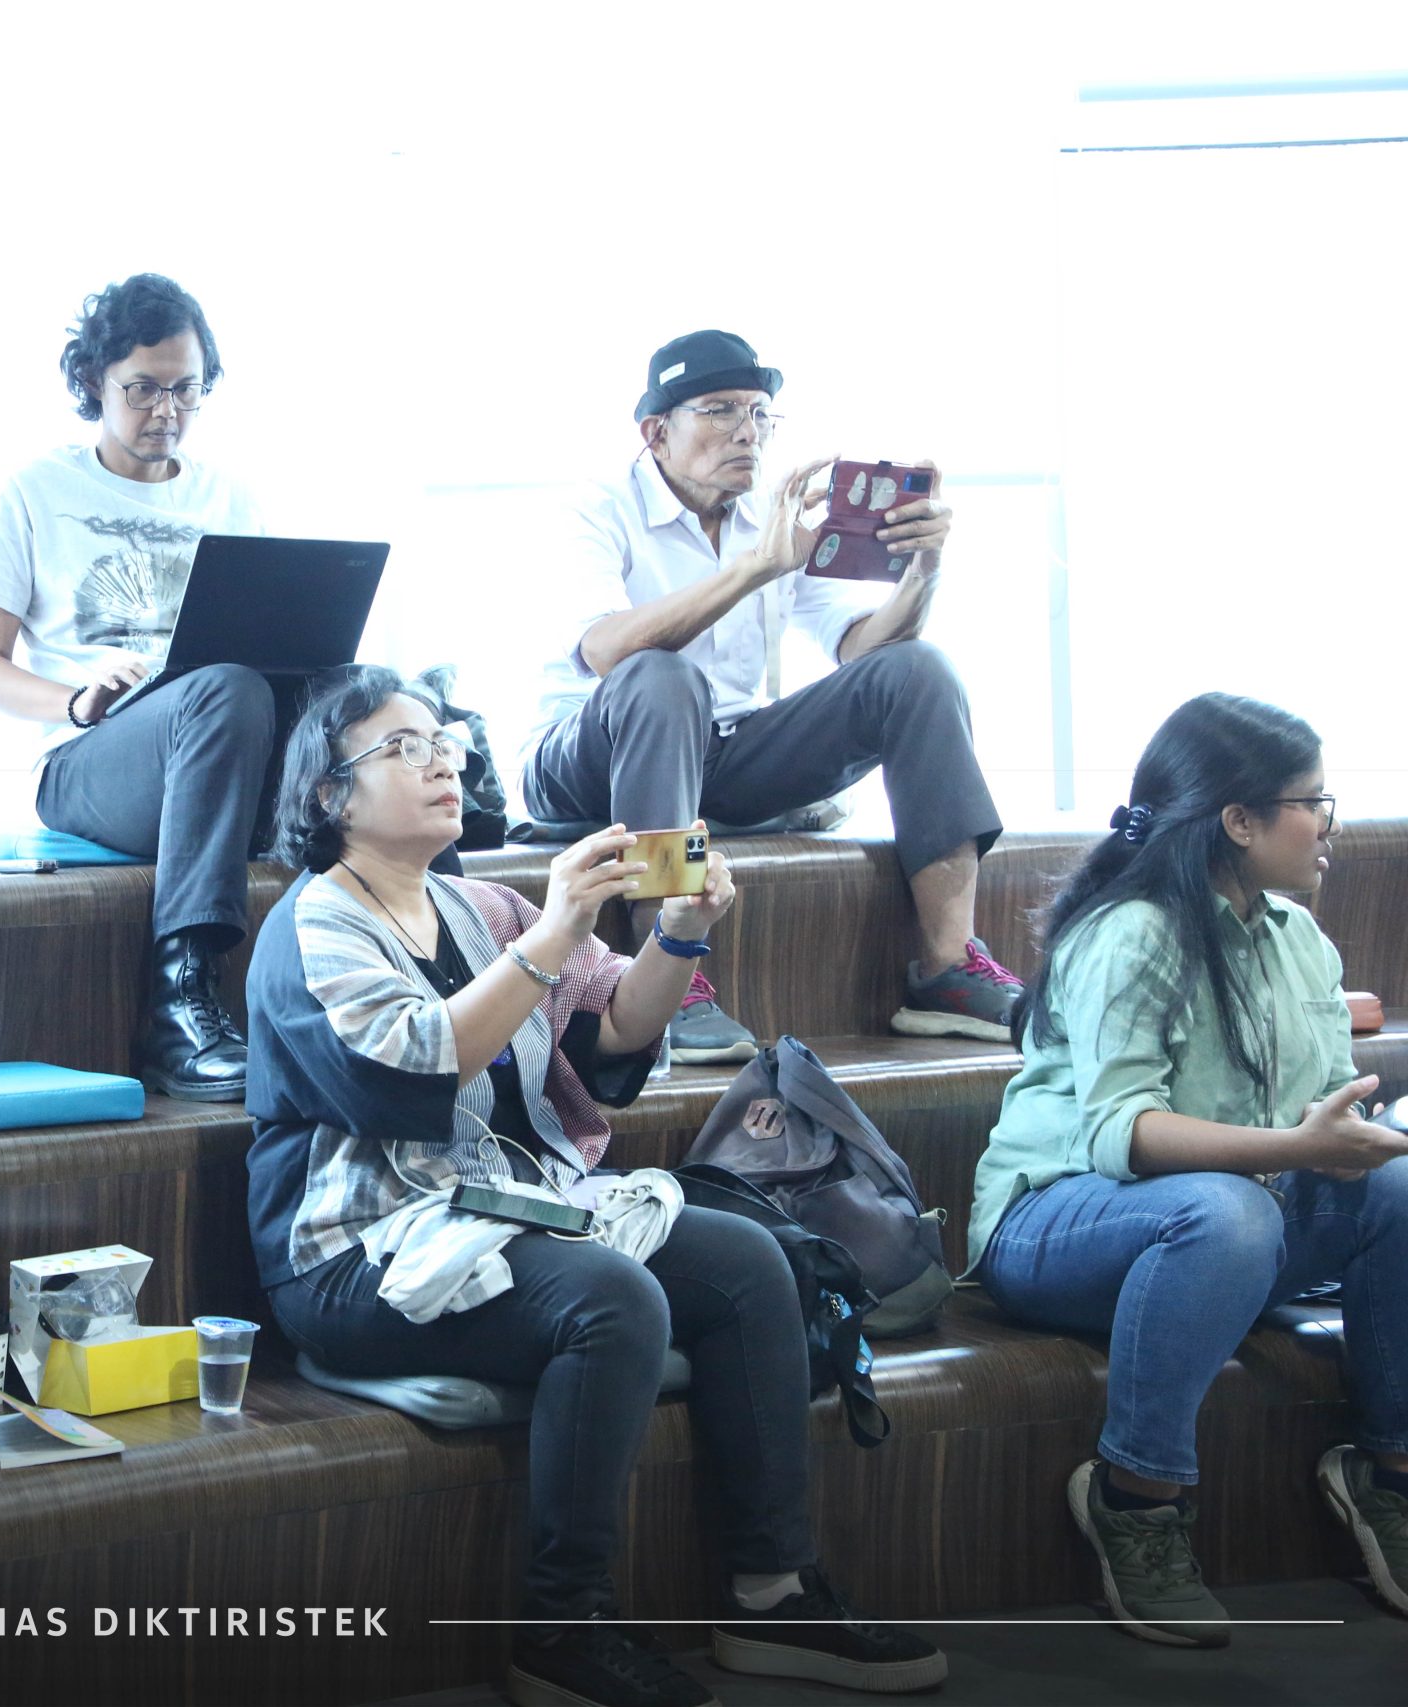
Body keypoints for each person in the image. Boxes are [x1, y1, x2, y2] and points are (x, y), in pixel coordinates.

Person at [247, 668, 945, 1707]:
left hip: (501, 1213)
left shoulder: (480, 904)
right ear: (327, 795)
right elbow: (416, 1069)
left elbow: (616, 1027)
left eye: (445, 742)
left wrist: (680, 932)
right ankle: (560, 1626)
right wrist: (557, 928)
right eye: (403, 747)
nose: (442, 762)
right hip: (355, 1255)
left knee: (751, 1263)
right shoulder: (314, 924)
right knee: (612, 1299)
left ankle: (772, 1592)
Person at [970, 693, 1408, 1644]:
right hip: (1054, 1227)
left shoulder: (1301, 940)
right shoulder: (1132, 931)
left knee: (1395, 1193)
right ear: (1239, 821)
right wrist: (1299, 1150)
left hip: (1224, 1222)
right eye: (1313, 802)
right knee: (1231, 1214)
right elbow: (1123, 1135)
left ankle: (1392, 1478)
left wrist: (1366, 1136)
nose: (1331, 824)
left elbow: (1325, 1116)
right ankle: (1135, 1500)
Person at [523, 328, 1015, 1063]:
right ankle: (664, 974)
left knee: (919, 671)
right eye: (722, 410)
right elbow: (607, 650)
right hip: (586, 757)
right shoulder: (596, 507)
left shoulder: (770, 512)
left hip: (721, 757)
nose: (747, 432)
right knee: (663, 677)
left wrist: (924, 571)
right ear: (657, 431)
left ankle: (947, 969)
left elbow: (862, 651)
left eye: (759, 413)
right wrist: (754, 568)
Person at [0, 272, 272, 1101]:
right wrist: (72, 698)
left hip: (215, 748)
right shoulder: (37, 491)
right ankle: (177, 1006)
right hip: (86, 761)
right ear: (94, 380)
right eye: (143, 388)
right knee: (225, 690)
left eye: (187, 390)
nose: (167, 410)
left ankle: (450, 986)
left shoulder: (230, 497)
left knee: (363, 698)